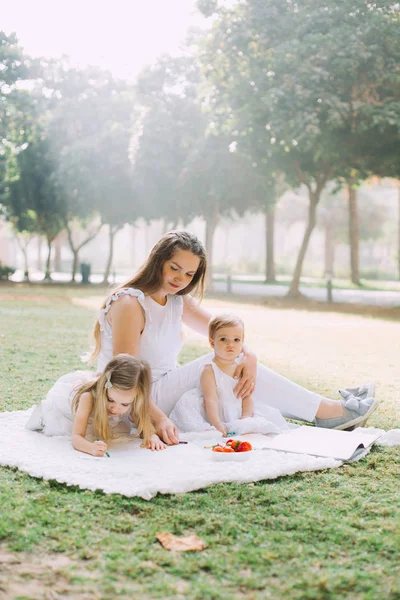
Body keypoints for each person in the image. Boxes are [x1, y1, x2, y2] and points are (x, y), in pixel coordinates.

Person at [89, 230, 377, 445]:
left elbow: (224, 332)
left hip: (164, 387)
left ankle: (325, 409)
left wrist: (249, 357)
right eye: (174, 268)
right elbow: (125, 377)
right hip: (134, 400)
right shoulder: (131, 303)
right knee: (219, 358)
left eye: (189, 274)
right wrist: (160, 420)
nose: (180, 279)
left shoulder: (176, 299)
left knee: (231, 350)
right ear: (158, 261)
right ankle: (327, 411)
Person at [170, 313, 289, 436]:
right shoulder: (209, 370)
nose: (230, 344)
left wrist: (245, 419)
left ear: (242, 342)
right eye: (223, 339)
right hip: (214, 413)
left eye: (236, 340)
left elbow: (246, 396)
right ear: (212, 343)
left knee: (260, 424)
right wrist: (216, 424)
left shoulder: (240, 367)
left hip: (238, 410)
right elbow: (211, 400)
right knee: (209, 433)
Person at [25, 354, 166, 455]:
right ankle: (43, 415)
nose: (116, 408)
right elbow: (77, 437)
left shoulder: (132, 398)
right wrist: (90, 447)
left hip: (101, 413)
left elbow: (143, 425)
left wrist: (152, 436)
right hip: (72, 408)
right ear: (105, 387)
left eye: (124, 404)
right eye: (110, 400)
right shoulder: (88, 398)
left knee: (122, 429)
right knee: (61, 426)